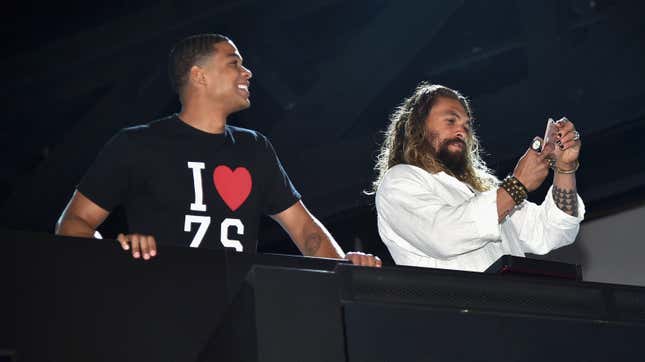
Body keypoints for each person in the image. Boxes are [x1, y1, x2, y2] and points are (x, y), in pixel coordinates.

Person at [55, 33, 380, 267]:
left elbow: (307, 232)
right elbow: (72, 224)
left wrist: (347, 273)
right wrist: (116, 253)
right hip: (157, 302)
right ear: (200, 75)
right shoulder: (136, 144)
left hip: (238, 309)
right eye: (234, 63)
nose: (247, 72)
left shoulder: (254, 148)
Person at [373, 82, 584, 272]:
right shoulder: (399, 181)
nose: (462, 131)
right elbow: (443, 235)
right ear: (417, 126)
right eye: (450, 121)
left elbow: (553, 231)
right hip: (458, 313)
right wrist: (517, 186)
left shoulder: (485, 191)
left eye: (466, 125)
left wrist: (565, 169)